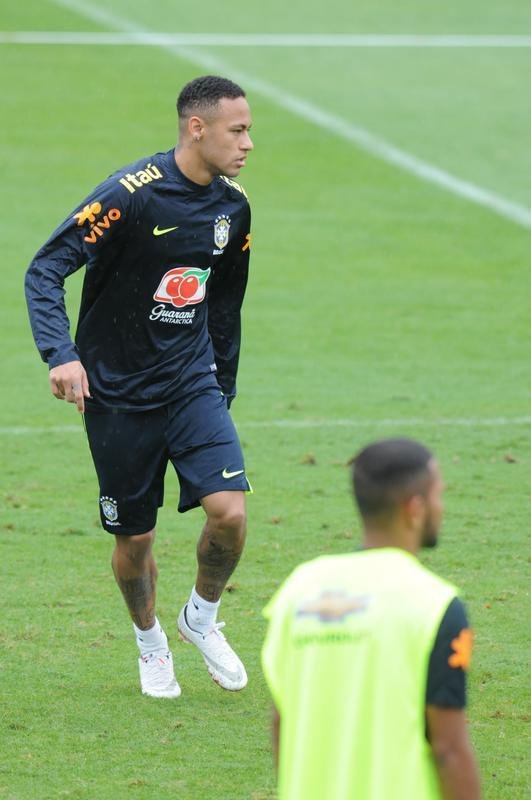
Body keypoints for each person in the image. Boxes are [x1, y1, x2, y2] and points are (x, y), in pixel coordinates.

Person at [25, 75, 254, 699]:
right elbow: (45, 268)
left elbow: (225, 303)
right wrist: (61, 355)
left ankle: (200, 617)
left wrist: (221, 388)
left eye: (249, 130)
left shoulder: (233, 208)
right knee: (136, 539)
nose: (248, 144)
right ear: (196, 128)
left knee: (230, 513)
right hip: (118, 393)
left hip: (191, 382)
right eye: (238, 130)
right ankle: (151, 642)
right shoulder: (130, 196)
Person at [262, 438, 482, 800]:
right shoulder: (436, 604)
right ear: (414, 508)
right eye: (438, 495)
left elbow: (281, 721)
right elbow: (449, 750)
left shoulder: (300, 590)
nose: (442, 507)